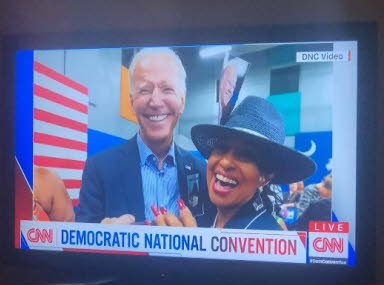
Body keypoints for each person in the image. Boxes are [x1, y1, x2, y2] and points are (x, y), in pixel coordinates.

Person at [75, 48, 210, 225]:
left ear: (182, 102)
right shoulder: (99, 169)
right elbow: (80, 242)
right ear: (132, 103)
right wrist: (102, 238)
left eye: (167, 89)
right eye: (145, 90)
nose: (155, 101)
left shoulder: (202, 173)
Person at [153, 96, 316, 230]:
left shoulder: (266, 241)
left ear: (265, 177)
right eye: (221, 148)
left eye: (245, 155)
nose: (224, 162)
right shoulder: (207, 219)